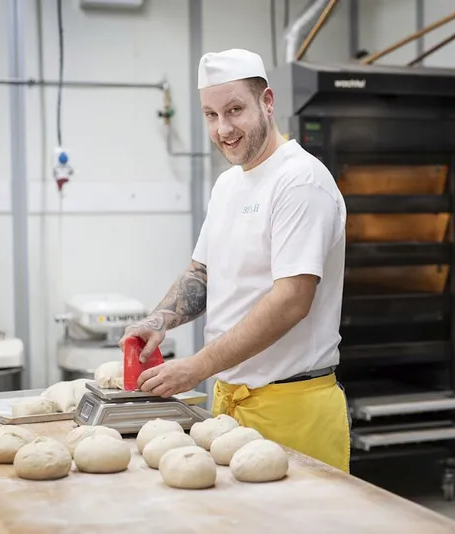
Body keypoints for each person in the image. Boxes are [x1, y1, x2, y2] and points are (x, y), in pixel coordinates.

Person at [119, 48, 350, 473]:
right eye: (210, 115)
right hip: (230, 404)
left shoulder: (300, 180)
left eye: (235, 110)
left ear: (267, 102)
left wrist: (196, 367)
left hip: (293, 407)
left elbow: (292, 300)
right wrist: (158, 321)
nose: (223, 129)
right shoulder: (228, 184)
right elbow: (203, 272)